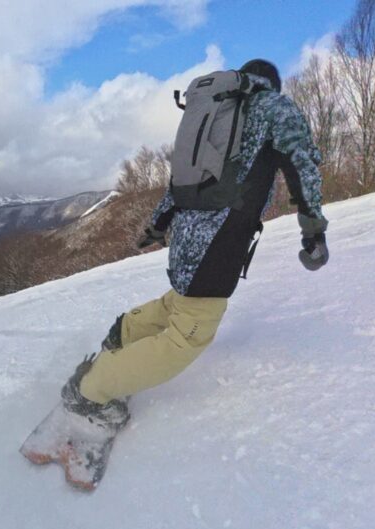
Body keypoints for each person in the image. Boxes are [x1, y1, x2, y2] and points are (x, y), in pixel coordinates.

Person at [60, 59, 329, 432]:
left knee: (181, 303)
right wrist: (313, 229)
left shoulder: (219, 109)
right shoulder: (272, 106)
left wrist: (158, 225)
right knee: (188, 335)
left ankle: (122, 335)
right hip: (221, 238)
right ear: (272, 84)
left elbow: (179, 183)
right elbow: (301, 164)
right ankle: (89, 392)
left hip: (186, 233)